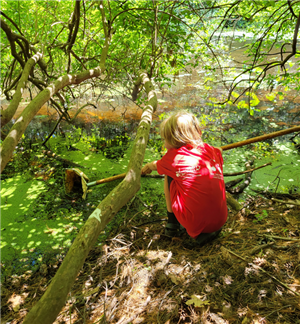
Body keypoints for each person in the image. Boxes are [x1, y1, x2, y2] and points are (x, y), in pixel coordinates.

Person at [141, 111, 227, 246]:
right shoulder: (211, 151)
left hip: (195, 223)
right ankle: (208, 228)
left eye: (164, 139)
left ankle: (172, 224)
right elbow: (219, 150)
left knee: (169, 175)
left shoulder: (173, 158)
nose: (164, 144)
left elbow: (155, 165)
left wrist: (148, 166)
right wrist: (217, 150)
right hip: (220, 221)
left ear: (174, 139)